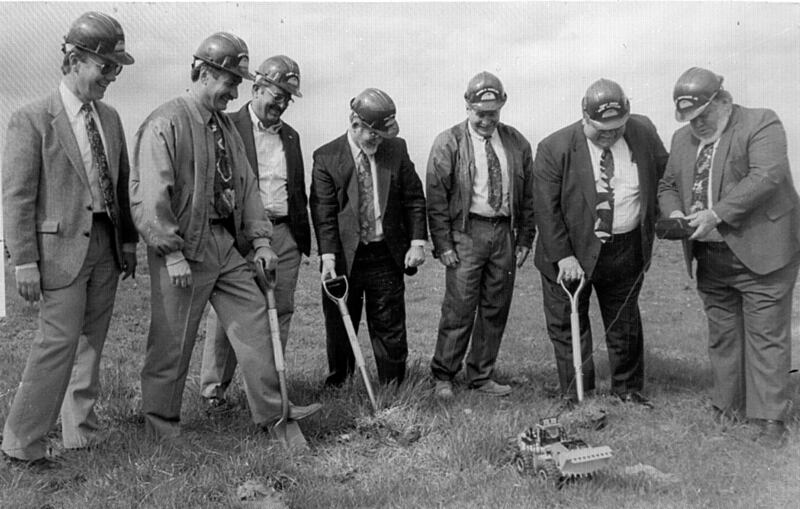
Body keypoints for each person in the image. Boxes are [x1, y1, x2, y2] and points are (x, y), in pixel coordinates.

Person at [130, 32, 320, 444]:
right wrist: (172, 252)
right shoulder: (166, 122)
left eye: (237, 83)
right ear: (200, 72)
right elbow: (148, 196)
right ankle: (162, 428)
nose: (234, 92)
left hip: (223, 245)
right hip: (181, 249)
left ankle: (274, 412)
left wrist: (262, 241)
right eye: (228, 82)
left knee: (255, 319)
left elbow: (248, 189)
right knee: (173, 343)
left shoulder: (225, 128)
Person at [1, 11, 138, 471]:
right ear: (75, 60)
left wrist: (128, 244)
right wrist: (23, 261)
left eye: (117, 68)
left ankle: (81, 433)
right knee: (56, 344)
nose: (112, 77)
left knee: (91, 343)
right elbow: (17, 197)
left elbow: (121, 184)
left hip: (104, 245)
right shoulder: (32, 119)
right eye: (106, 67)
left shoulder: (112, 118)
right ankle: (22, 443)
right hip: (57, 254)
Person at [658, 67, 800, 448]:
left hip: (763, 253)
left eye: (703, 115)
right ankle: (727, 406)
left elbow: (767, 176)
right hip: (711, 258)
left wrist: (716, 214)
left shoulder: (761, 123)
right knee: (723, 335)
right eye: (689, 119)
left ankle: (770, 418)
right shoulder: (682, 139)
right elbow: (669, 185)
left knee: (765, 337)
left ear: (723, 100)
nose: (697, 124)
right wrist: (674, 214)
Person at [532, 79, 668, 408]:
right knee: (569, 324)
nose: (610, 135)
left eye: (617, 128)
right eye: (601, 129)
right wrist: (564, 257)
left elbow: (665, 177)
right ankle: (579, 394)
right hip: (570, 252)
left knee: (625, 323)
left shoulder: (643, 131)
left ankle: (628, 390)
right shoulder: (555, 147)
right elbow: (546, 210)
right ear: (584, 116)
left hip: (625, 247)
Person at [200, 55, 311, 411]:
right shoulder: (226, 125)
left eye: (287, 99)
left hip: (284, 234)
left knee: (280, 310)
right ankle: (214, 391)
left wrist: (294, 236)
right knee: (227, 314)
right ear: (257, 88)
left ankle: (269, 390)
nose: (280, 104)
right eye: (275, 95)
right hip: (240, 235)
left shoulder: (291, 137)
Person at [426, 72, 535, 399]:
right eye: (480, 113)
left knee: (495, 307)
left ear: (502, 106)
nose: (487, 120)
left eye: (493, 113)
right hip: (466, 233)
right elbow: (435, 197)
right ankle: (443, 375)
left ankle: (481, 375)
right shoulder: (448, 142)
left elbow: (529, 195)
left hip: (504, 234)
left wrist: (526, 238)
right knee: (458, 308)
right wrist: (443, 243)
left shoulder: (516, 142)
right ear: (467, 106)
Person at [310, 88, 427, 386]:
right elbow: (323, 212)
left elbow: (414, 197)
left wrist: (416, 242)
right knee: (340, 322)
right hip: (345, 258)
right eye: (373, 133)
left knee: (389, 323)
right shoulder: (326, 157)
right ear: (354, 122)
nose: (378, 140)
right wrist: (328, 256)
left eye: (382, 134)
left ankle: (392, 385)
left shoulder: (396, 149)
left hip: (384, 254)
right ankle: (340, 382)